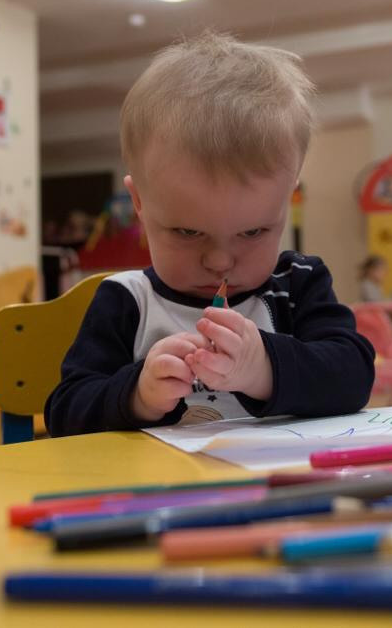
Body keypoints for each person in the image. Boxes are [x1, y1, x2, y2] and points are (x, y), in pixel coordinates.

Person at [45, 31, 375, 436]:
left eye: (253, 231)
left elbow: (354, 378)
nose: (219, 261)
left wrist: (264, 367)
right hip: (157, 494)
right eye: (188, 232)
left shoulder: (297, 285)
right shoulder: (127, 301)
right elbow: (65, 413)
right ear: (140, 204)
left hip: (278, 486)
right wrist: (137, 396)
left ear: (286, 201)